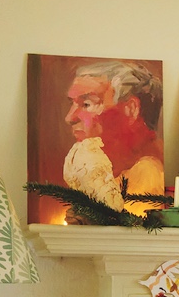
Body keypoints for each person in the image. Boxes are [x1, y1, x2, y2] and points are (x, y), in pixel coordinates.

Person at [63, 59, 165, 211]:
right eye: (72, 104)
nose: (70, 118)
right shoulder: (103, 176)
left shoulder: (148, 175)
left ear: (130, 109)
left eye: (87, 104)